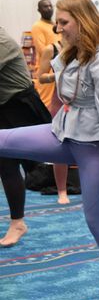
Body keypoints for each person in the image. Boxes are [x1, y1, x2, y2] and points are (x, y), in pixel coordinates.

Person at [0, 0, 99, 300]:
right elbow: (63, 97)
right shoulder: (75, 52)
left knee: (97, 222)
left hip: (98, 149)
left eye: (64, 22)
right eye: (58, 22)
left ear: (82, 20)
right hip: (64, 135)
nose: (57, 28)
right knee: (4, 140)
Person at [0, 26, 56, 247]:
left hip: (21, 107)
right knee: (6, 165)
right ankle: (18, 223)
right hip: (3, 108)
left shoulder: (1, 40)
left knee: (44, 165)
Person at [31, 0, 71, 204]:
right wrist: (60, 76)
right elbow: (40, 76)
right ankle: (61, 190)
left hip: (81, 103)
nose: (62, 27)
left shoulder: (84, 47)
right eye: (60, 23)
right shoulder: (51, 48)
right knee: (59, 147)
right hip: (58, 101)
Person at [31, 0, 59, 110]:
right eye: (45, 7)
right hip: (46, 68)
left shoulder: (56, 25)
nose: (49, 8)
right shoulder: (38, 26)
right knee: (46, 103)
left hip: (59, 67)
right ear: (39, 10)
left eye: (50, 6)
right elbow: (42, 50)